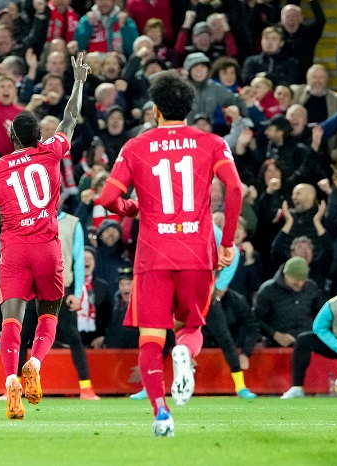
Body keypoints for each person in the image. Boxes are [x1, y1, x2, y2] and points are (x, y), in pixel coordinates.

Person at [99, 71, 242, 436]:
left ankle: (161, 413)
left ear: (156, 110)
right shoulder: (211, 142)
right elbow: (236, 189)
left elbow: (106, 199)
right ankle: (186, 355)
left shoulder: (135, 146)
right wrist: (226, 243)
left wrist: (130, 209)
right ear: (190, 107)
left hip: (153, 255)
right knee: (190, 327)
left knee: (150, 337)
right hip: (197, 252)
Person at [0, 53, 89, 420]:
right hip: (48, 246)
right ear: (38, 136)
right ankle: (36, 365)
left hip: (14, 248)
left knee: (11, 321)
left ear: (12, 136)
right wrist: (78, 81)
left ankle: (11, 378)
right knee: (49, 313)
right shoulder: (50, 152)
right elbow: (71, 118)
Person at [281, 276, 337, 399]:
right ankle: (297, 388)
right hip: (336, 344)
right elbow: (319, 328)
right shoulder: (331, 305)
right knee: (304, 340)